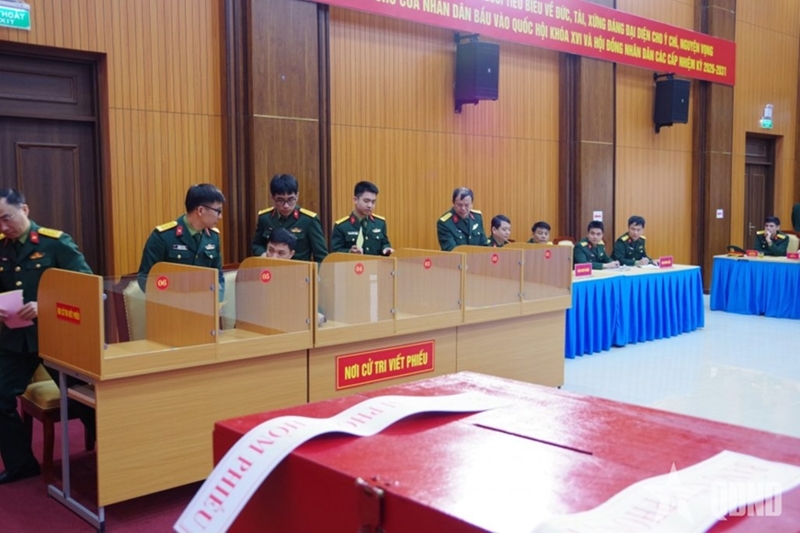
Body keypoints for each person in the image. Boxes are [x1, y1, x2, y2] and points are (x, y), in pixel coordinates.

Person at [0, 189, 93, 484]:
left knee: (84, 398)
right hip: (15, 339)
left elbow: (87, 287)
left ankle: (110, 454)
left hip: (58, 338)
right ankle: (21, 464)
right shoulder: (2, 248)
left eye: (6, 218)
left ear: (25, 209)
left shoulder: (55, 243)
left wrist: (46, 306)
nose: (3, 226)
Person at [137, 184, 225, 299]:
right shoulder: (163, 237)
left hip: (204, 305)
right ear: (201, 210)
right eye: (218, 211)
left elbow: (218, 276)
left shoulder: (213, 237)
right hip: (171, 306)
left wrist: (217, 300)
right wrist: (172, 299)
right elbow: (145, 278)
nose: (220, 217)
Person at [251, 174, 328, 262]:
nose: (286, 206)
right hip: (271, 268)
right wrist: (265, 255)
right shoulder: (265, 218)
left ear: (297, 196)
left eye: (291, 200)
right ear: (273, 198)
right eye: (280, 200)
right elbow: (256, 245)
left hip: (299, 269)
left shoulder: (309, 220)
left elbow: (321, 257)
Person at [331, 181, 393, 256]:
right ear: (355, 200)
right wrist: (350, 252)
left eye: (373, 202)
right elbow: (335, 252)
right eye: (366, 201)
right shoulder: (341, 226)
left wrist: (386, 249)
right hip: (352, 263)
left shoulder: (380, 223)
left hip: (374, 263)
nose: (370, 205)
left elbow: (384, 243)